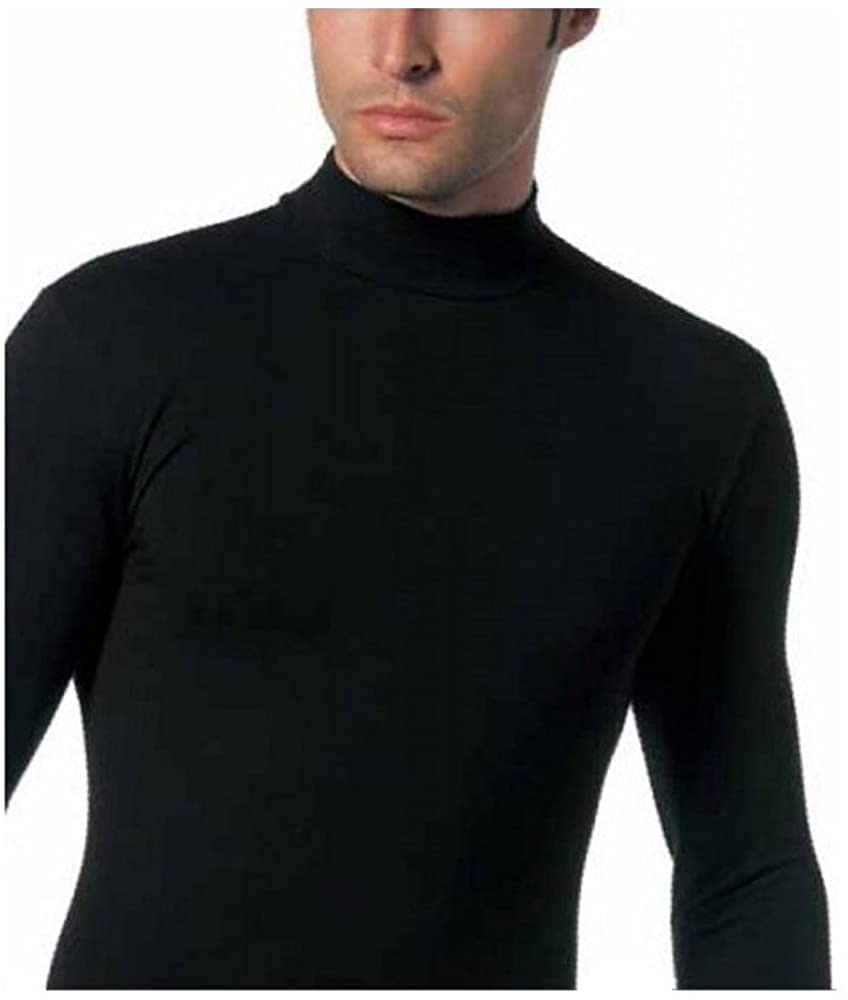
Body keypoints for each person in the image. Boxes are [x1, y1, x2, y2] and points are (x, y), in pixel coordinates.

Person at [5, 8, 831, 989]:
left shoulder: (697, 405)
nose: (401, 49)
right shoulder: (111, 342)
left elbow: (746, 873)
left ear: (572, 15)